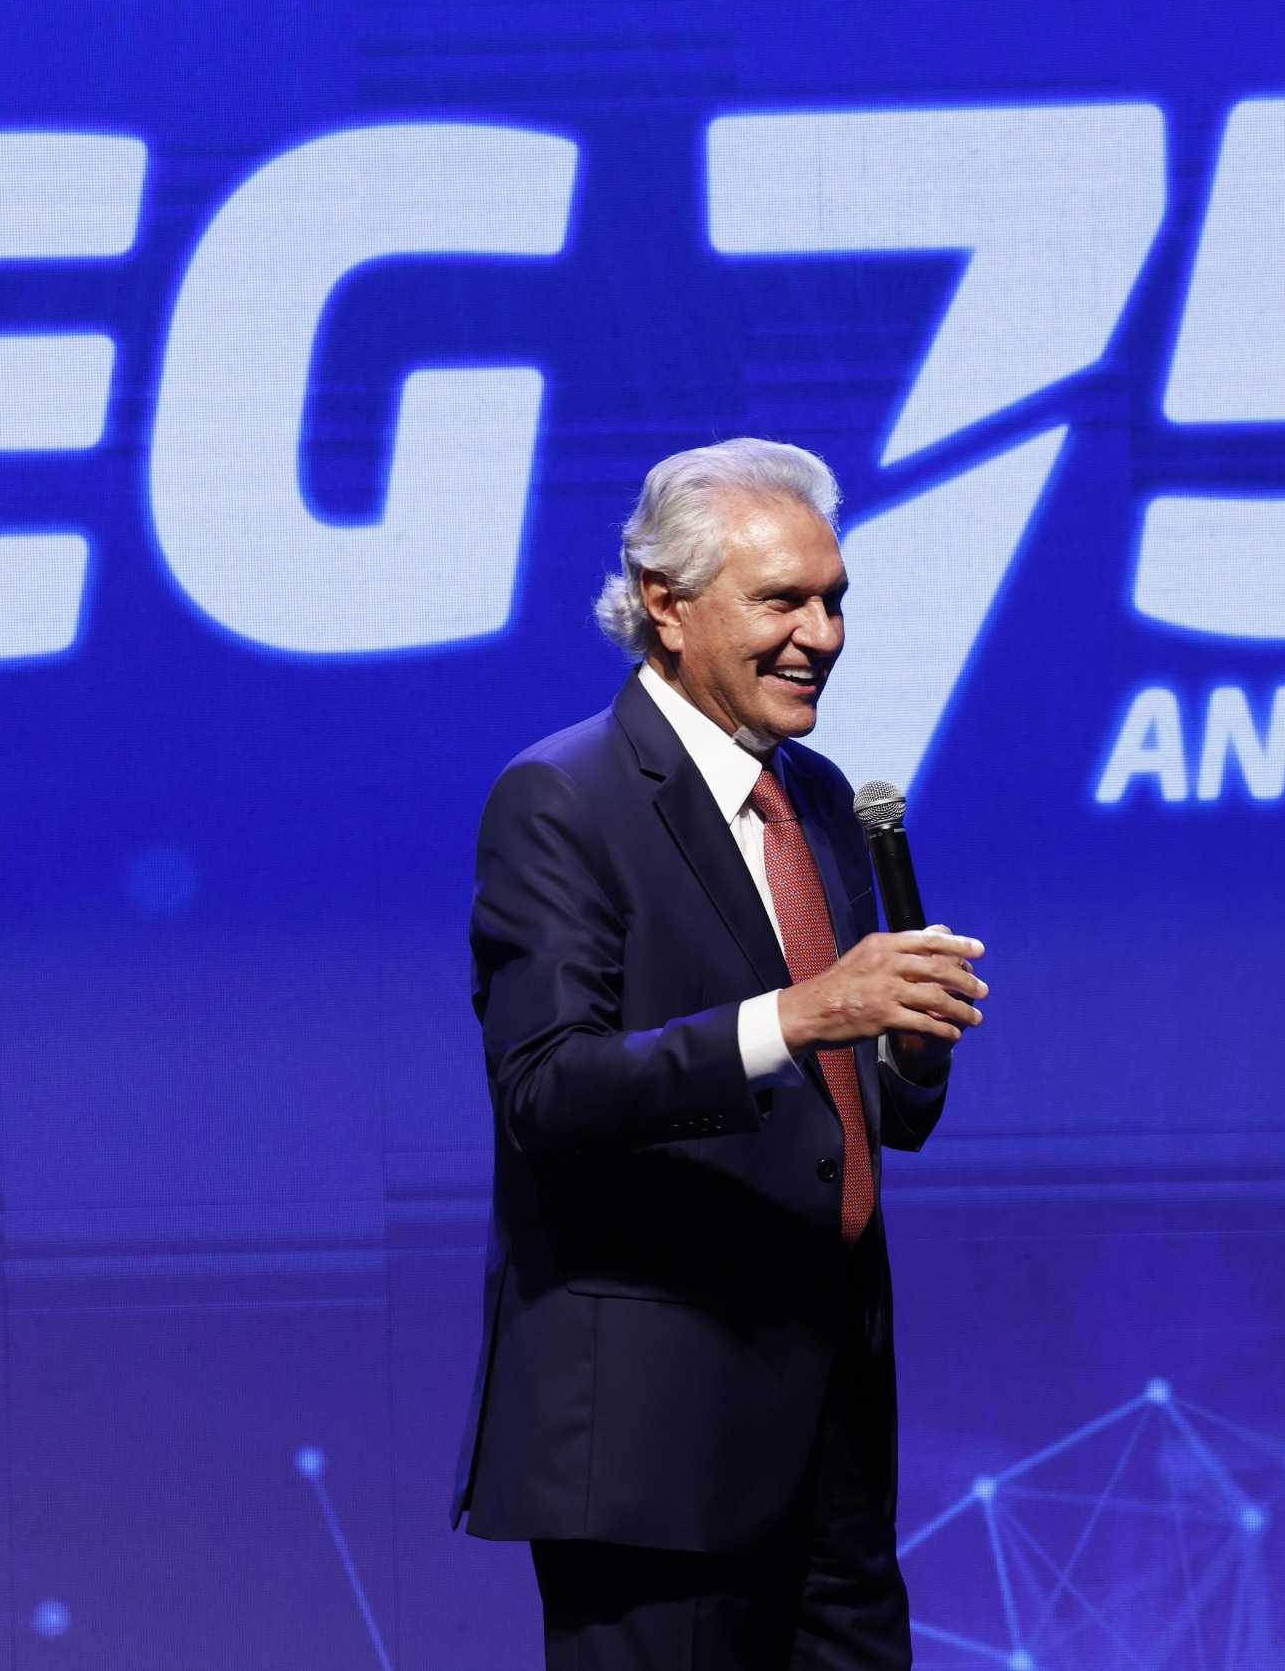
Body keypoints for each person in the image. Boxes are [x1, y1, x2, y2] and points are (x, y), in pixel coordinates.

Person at [450, 438, 990, 1670]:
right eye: (781, 601)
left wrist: (907, 1053)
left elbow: (861, 1111)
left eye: (834, 600)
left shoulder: (822, 800)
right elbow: (545, 1090)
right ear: (666, 602)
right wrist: (797, 1014)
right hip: (657, 1433)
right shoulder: (562, 799)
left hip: (831, 1418)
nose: (821, 636)